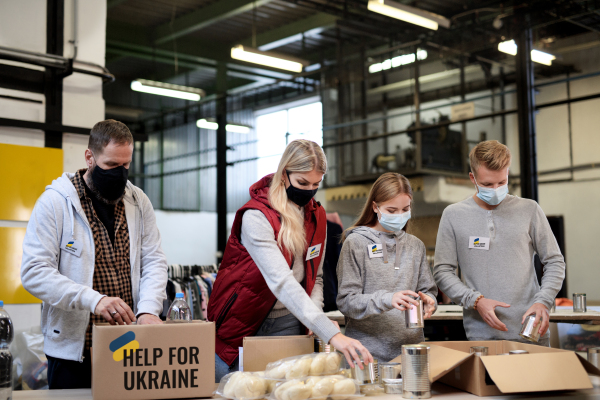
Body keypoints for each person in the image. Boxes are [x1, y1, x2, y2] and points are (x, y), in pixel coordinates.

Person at [208, 139, 373, 382]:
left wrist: (314, 324)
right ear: (284, 174)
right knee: (242, 391)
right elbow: (281, 281)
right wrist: (330, 332)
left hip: (290, 321)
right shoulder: (256, 216)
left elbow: (314, 278)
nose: (309, 191)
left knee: (287, 391)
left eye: (316, 184)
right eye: (302, 182)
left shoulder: (317, 216)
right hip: (243, 320)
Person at [21, 120, 168, 389]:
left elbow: (154, 260)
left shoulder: (138, 201)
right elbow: (34, 272)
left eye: (126, 166)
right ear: (90, 157)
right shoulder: (56, 203)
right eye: (111, 165)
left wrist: (148, 309)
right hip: (74, 353)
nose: (120, 174)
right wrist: (94, 300)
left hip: (128, 346)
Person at [433, 140, 565, 346]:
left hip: (530, 331)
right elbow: (442, 271)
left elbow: (555, 261)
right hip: (481, 335)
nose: (495, 190)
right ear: (472, 178)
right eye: (487, 184)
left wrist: (543, 301)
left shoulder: (529, 210)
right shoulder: (453, 215)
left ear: (508, 174)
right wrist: (475, 301)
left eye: (501, 183)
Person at [336, 172, 438, 362]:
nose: (400, 216)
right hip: (367, 354)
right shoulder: (356, 242)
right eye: (392, 210)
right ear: (375, 207)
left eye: (405, 209)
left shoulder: (416, 245)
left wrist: (429, 301)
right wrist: (387, 299)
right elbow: (346, 302)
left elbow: (428, 290)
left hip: (411, 353)